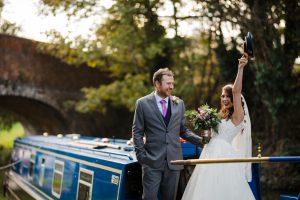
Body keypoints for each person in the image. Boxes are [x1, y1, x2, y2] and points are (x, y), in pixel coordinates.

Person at [181, 53, 255, 200]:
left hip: (224, 156)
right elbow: (208, 137)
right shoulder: (220, 116)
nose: (225, 99)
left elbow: (236, 90)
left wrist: (240, 68)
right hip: (208, 153)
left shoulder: (238, 116)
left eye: (228, 96)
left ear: (235, 100)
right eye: (223, 96)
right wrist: (205, 124)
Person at [132, 68, 203, 200]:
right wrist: (142, 157)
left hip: (174, 161)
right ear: (157, 84)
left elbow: (183, 131)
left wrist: (203, 141)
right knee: (149, 198)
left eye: (172, 83)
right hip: (151, 162)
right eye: (168, 83)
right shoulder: (142, 103)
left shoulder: (179, 103)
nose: (171, 86)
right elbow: (137, 132)